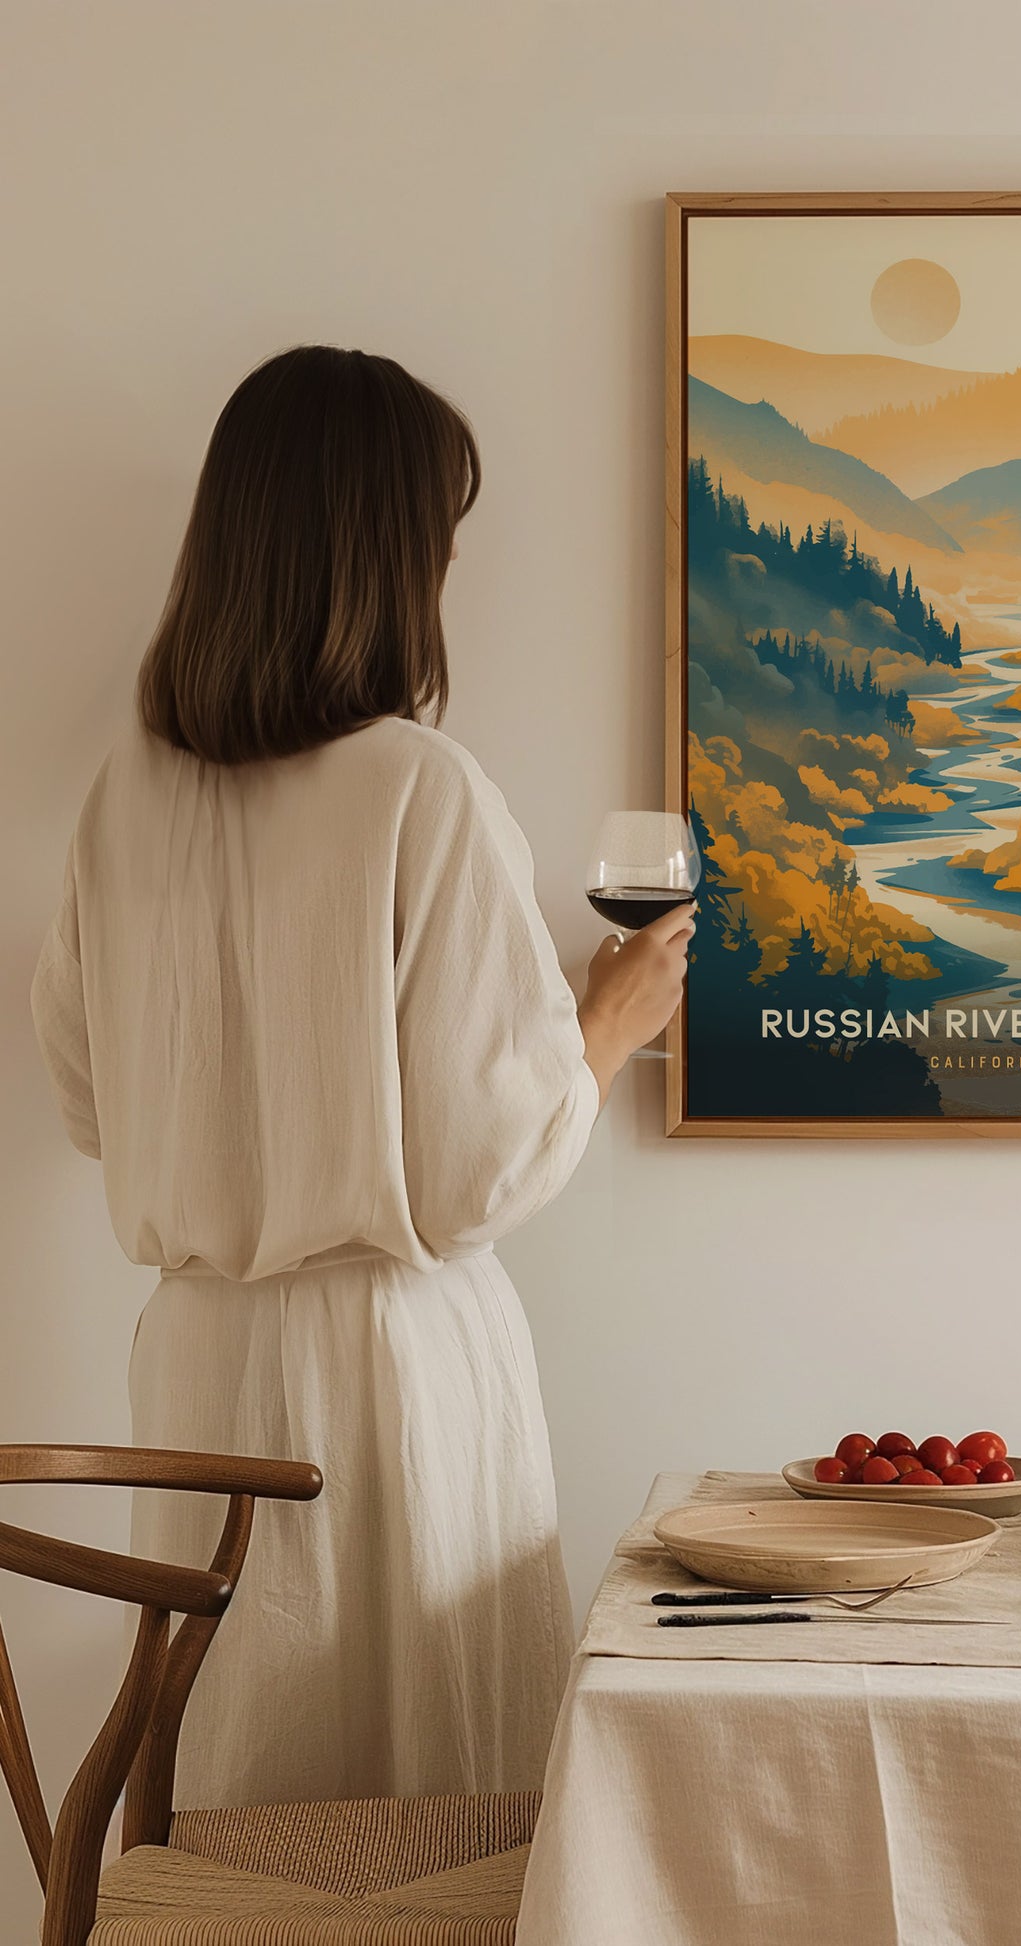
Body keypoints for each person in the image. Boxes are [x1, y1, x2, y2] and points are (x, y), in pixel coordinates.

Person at [29, 345, 690, 1806]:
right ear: (388, 553)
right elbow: (474, 1175)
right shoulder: (418, 786)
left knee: (239, 1783)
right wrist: (605, 1023)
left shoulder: (125, 797)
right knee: (426, 1804)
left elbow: (87, 1100)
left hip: (197, 1363)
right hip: (390, 1370)